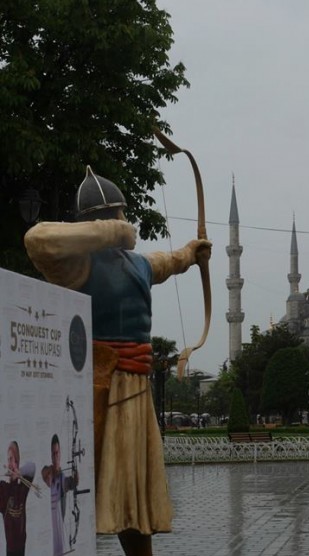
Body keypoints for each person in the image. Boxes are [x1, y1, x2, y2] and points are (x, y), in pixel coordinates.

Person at [25, 167, 211, 556]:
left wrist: (191, 254)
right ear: (111, 219)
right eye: (121, 215)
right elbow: (36, 238)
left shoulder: (137, 265)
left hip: (135, 388)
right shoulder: (78, 265)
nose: (128, 224)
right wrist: (112, 231)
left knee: (132, 494)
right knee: (85, 483)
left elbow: (167, 261)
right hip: (95, 386)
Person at [41, 435, 78, 556]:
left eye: (57, 452)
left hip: (61, 540)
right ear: (51, 456)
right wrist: (50, 471)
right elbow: (43, 473)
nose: (55, 455)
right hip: (53, 541)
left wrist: (76, 473)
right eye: (53, 453)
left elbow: (73, 483)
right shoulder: (50, 476)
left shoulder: (62, 478)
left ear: (60, 454)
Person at [1, 441, 36, 556]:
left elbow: (32, 467)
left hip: (22, 547)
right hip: (11, 550)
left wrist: (19, 472)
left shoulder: (22, 488)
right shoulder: (3, 488)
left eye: (14, 460)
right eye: (9, 459)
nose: (11, 463)